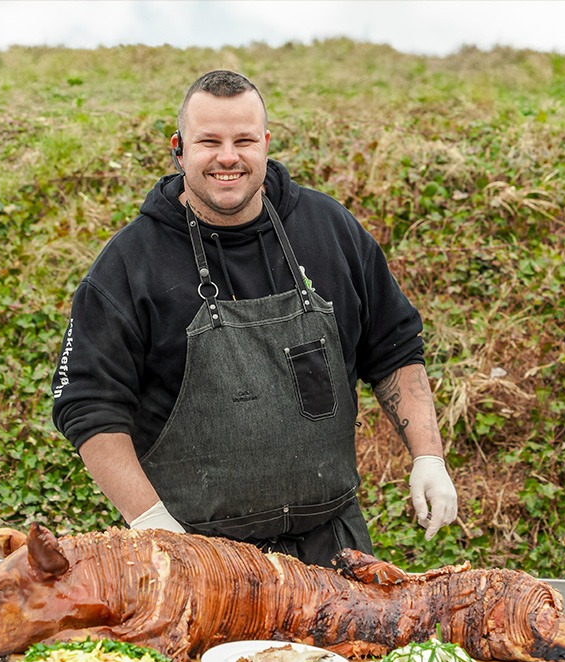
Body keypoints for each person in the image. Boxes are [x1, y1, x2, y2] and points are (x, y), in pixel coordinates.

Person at [50, 70, 457, 567]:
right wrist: (152, 521)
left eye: (243, 140)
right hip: (198, 555)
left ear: (265, 144)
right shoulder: (129, 265)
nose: (228, 157)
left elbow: (394, 350)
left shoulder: (331, 231)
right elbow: (89, 403)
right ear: (178, 149)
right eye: (209, 141)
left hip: (334, 549)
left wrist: (428, 457)